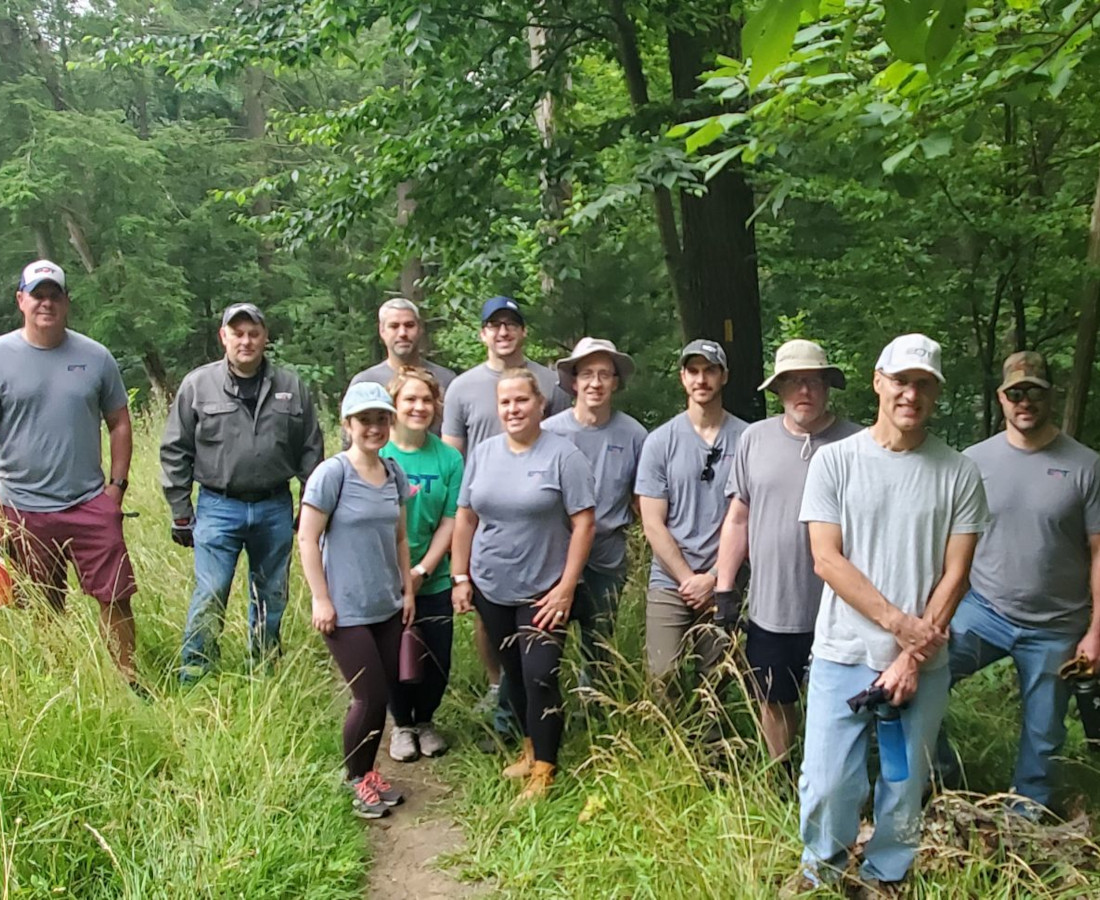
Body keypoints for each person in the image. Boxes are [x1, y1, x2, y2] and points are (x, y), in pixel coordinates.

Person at [793, 334, 988, 893]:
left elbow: (957, 574)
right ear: (879, 381)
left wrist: (909, 655)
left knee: (903, 783)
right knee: (828, 782)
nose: (911, 394)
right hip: (842, 654)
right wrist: (900, 625)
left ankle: (885, 874)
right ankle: (821, 869)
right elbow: (826, 560)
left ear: (935, 394)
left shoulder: (959, 473)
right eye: (901, 380)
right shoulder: (835, 462)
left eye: (923, 384)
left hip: (920, 668)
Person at [936, 351, 1100, 815]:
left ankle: (1023, 824)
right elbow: (950, 541)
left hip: (1058, 622)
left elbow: (1098, 551)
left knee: (1045, 735)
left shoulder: (1087, 466)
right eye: (1015, 392)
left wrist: (1096, 631)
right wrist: (936, 610)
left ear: (1051, 395)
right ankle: (941, 776)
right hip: (983, 608)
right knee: (923, 678)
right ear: (1001, 398)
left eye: (1035, 391)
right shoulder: (973, 461)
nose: (1024, 401)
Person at [451, 369, 596, 800]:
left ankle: (547, 768)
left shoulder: (563, 456)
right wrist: (460, 576)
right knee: (512, 674)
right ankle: (530, 751)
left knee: (540, 677)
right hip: (492, 584)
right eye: (505, 402)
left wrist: (567, 587)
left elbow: (584, 522)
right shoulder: (483, 453)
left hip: (544, 589)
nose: (513, 409)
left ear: (540, 405)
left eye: (521, 401)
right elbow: (465, 517)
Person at [161, 302, 324, 683]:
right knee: (211, 591)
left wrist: (309, 506)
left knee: (272, 594)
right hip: (219, 505)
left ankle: (264, 671)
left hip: (275, 506)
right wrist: (180, 509)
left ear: (265, 338)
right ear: (224, 337)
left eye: (254, 333)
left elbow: (311, 451)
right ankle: (196, 675)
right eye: (238, 333)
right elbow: (175, 449)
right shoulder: (197, 385)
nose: (246, 341)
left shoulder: (291, 386)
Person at [716, 340, 860, 763]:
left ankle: (830, 779)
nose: (805, 391)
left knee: (836, 704)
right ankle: (780, 776)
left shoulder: (856, 443)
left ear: (828, 386)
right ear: (777, 389)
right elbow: (738, 516)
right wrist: (725, 587)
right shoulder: (754, 439)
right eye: (793, 382)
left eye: (814, 381)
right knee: (776, 699)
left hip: (841, 604)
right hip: (772, 605)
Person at [0, 260, 139, 685]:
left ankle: (127, 677)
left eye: (54, 294)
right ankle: (60, 682)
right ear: (21, 300)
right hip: (21, 507)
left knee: (115, 595)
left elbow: (119, 421)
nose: (46, 302)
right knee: (40, 603)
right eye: (37, 294)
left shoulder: (95, 357)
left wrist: (115, 489)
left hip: (88, 502)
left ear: (66, 302)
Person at [441, 296, 570, 742]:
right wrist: (459, 570)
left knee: (540, 668)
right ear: (483, 333)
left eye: (511, 324)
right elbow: (454, 466)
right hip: (489, 540)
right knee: (501, 643)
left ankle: (545, 753)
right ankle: (505, 710)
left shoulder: (551, 383)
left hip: (541, 542)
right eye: (494, 325)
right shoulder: (462, 389)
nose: (502, 332)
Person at [298, 381, 414, 820]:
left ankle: (368, 773)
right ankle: (356, 780)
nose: (374, 427)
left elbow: (401, 537)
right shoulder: (333, 474)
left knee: (382, 694)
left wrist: (406, 589)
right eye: (365, 419)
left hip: (385, 603)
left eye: (382, 418)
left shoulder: (393, 473)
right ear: (348, 424)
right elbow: (308, 538)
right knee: (367, 696)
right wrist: (320, 599)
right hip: (345, 610)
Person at [636, 340, 748, 683]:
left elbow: (749, 517)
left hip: (726, 576)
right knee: (662, 673)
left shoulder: (747, 439)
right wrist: (688, 579)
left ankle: (713, 738)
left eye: (710, 370)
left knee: (717, 677)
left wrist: (714, 578)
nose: (701, 379)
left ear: (724, 376)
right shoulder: (660, 441)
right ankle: (667, 736)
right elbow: (652, 522)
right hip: (671, 579)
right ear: (683, 377)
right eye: (693, 371)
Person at [544, 337, 646, 684]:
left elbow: (641, 497)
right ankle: (532, 718)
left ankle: (596, 718)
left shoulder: (634, 435)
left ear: (616, 382)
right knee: (543, 644)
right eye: (587, 374)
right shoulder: (549, 433)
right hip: (554, 553)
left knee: (599, 647)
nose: (596, 383)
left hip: (606, 555)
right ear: (574, 381)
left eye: (605, 374)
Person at [380, 367, 464, 762]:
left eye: (426, 400)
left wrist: (421, 572)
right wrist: (399, 577)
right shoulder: (379, 454)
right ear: (394, 406)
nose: (419, 407)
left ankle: (426, 719)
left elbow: (452, 520)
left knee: (436, 657)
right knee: (394, 656)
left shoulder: (448, 458)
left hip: (434, 578)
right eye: (410, 400)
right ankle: (402, 725)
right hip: (383, 579)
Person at [349, 298, 456, 436]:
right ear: (382, 331)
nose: (402, 333)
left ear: (420, 329)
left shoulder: (446, 380)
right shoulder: (364, 383)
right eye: (394, 326)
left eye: (409, 325)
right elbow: (350, 441)